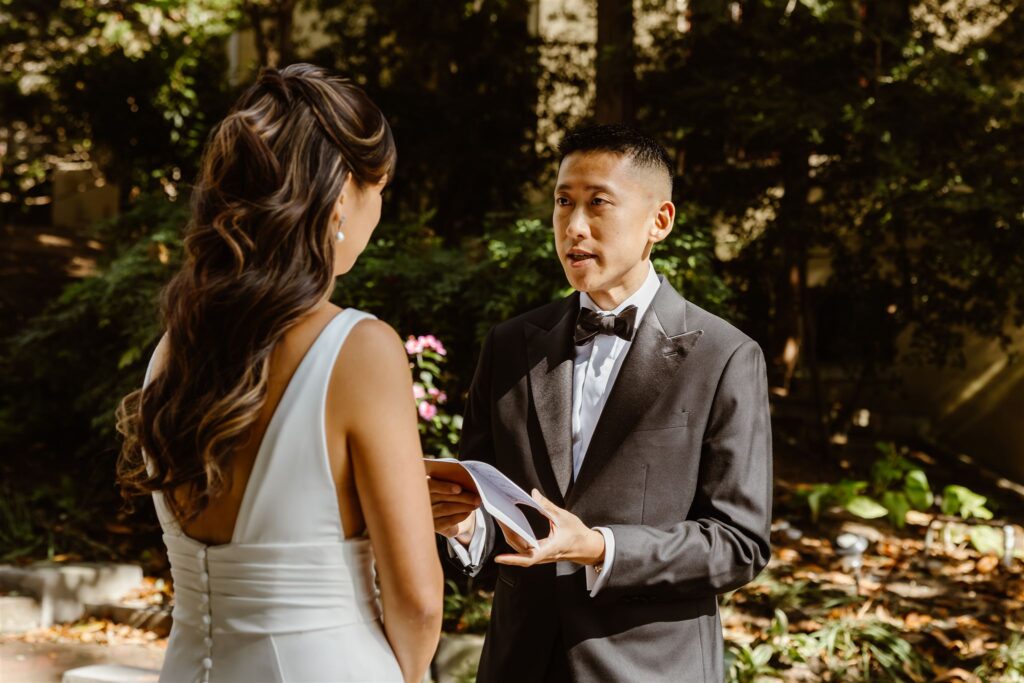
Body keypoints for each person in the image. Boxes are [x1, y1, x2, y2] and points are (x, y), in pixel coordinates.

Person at [116, 63, 443, 683]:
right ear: (344, 191)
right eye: (381, 192)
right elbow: (419, 602)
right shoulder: (361, 350)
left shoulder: (174, 350)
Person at [429, 124, 773, 682]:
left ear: (658, 221)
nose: (574, 226)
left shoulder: (725, 355)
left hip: (649, 669)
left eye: (598, 204)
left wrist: (598, 547)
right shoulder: (510, 344)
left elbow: (738, 544)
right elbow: (496, 510)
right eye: (563, 202)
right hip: (518, 664)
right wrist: (466, 528)